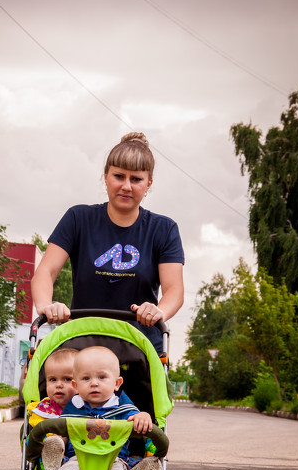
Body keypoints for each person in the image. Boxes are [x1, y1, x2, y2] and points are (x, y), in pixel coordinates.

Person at [31, 132, 184, 354]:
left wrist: (159, 311)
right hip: (83, 343)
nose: (126, 186)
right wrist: (46, 305)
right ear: (106, 176)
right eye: (119, 176)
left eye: (136, 179)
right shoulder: (78, 219)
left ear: (148, 183)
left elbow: (174, 290)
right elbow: (46, 271)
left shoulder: (163, 229)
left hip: (140, 349)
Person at [50, 346, 160, 470]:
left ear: (117, 383)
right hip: (78, 459)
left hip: (113, 459)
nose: (94, 383)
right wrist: (57, 440)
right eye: (86, 378)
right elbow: (63, 429)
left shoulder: (121, 404)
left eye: (102, 377)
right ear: (76, 386)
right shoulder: (74, 406)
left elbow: (137, 417)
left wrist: (143, 416)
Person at [27, 347, 78, 470]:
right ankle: (52, 461)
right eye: (53, 380)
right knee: (36, 435)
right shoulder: (43, 409)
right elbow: (36, 427)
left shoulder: (88, 406)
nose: (58, 385)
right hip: (54, 452)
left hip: (84, 452)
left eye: (67, 379)